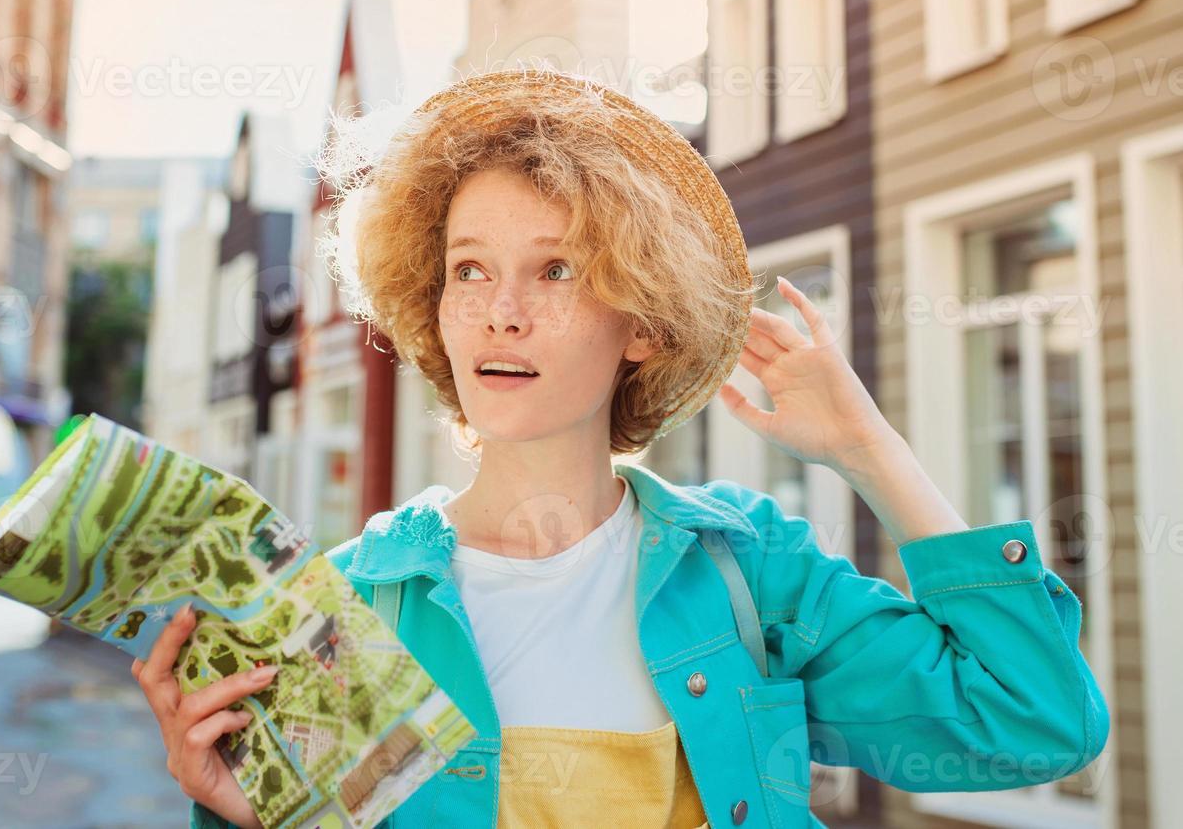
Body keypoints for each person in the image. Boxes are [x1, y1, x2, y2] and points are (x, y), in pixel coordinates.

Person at [131, 68, 1110, 829]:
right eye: (468, 269)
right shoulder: (347, 606)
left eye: (553, 268)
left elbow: (1032, 721)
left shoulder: (747, 573)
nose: (501, 313)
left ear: (639, 317)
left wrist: (868, 451)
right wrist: (245, 810)